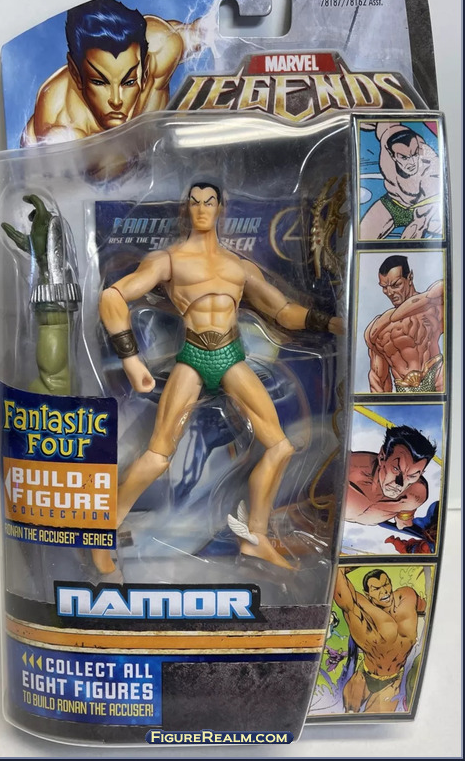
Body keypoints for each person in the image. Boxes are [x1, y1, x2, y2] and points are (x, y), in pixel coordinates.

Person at [92, 181, 343, 574]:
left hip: (230, 357)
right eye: (194, 202)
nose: (201, 208)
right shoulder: (170, 260)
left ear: (221, 208)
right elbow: (112, 297)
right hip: (193, 358)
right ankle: (101, 530)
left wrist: (330, 323)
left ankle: (254, 537)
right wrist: (132, 362)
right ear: (186, 209)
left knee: (280, 447)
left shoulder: (238, 267)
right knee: (158, 456)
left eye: (209, 201)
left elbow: (283, 312)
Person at [22, 0, 205, 145]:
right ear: (77, 75)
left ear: (145, 70)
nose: (116, 101)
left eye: (129, 82)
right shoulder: (62, 130)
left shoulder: (163, 47)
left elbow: (200, 34)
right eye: (99, 82)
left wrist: (209, 31)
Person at [334, 567, 426, 713]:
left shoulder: (408, 596)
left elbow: (424, 606)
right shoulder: (363, 616)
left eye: (386, 584)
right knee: (349, 712)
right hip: (364, 676)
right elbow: (339, 587)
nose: (384, 591)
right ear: (368, 594)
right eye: (376, 589)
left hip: (392, 680)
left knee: (373, 717)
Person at [364, 255, 444, 393]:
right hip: (403, 390)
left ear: (410, 277)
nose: (390, 293)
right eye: (384, 287)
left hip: (437, 378)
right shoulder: (377, 329)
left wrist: (424, 300)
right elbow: (379, 380)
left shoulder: (434, 308)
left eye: (396, 285)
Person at [359, 122, 441, 240]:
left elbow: (431, 202)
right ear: (392, 155)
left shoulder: (431, 166)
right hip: (394, 202)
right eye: (404, 157)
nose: (412, 162)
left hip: (424, 209)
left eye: (415, 154)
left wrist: (420, 222)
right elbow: (382, 122)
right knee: (363, 234)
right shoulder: (387, 137)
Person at [345, 425, 435, 530]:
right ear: (382, 457)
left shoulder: (415, 495)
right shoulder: (346, 470)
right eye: (396, 469)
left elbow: (405, 518)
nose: (400, 483)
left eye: (412, 476)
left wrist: (404, 518)